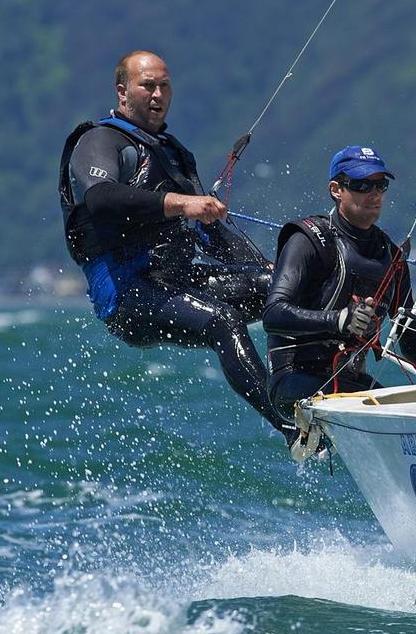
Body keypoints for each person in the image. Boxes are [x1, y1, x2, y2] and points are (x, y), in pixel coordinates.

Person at [58, 50, 285, 437]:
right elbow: (101, 198)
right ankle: (290, 426)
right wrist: (181, 203)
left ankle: (322, 388)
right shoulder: (100, 141)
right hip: (129, 293)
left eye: (164, 85)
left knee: (284, 291)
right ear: (123, 92)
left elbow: (210, 232)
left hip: (178, 278)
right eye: (147, 85)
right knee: (223, 321)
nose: (157, 94)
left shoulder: (174, 154)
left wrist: (267, 269)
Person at [264, 145, 416, 430]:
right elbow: (273, 314)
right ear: (336, 189)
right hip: (295, 380)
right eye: (361, 185)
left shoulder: (391, 258)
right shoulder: (309, 240)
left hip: (351, 385)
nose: (374, 194)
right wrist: (340, 319)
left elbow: (411, 337)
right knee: (379, 417)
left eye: (380, 185)